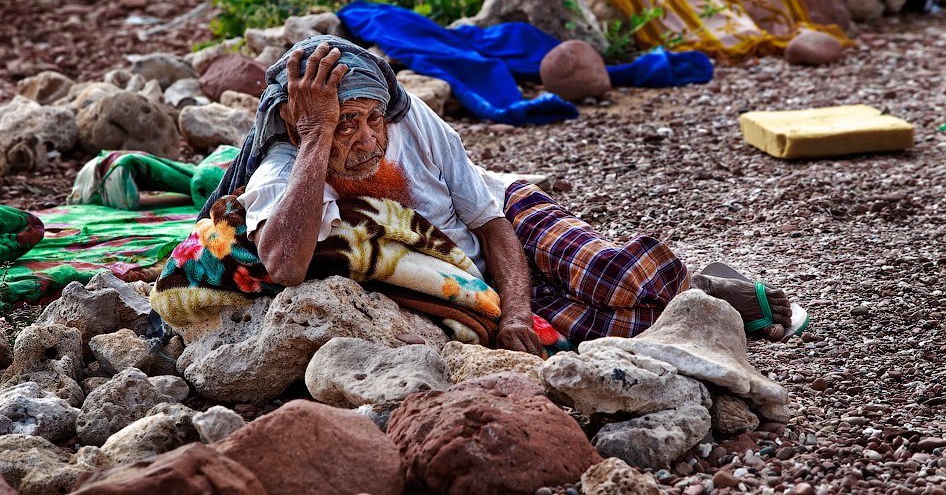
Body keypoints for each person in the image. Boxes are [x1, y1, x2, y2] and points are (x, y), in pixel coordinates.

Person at [211, 35, 792, 357]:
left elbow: (490, 223)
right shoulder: (285, 169)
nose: (365, 139)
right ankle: (699, 294)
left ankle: (701, 285)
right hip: (471, 277)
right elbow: (284, 265)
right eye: (345, 124)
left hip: (509, 215)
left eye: (371, 119)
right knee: (618, 331)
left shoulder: (414, 122)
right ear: (296, 122)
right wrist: (316, 137)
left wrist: (517, 313)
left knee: (618, 280)